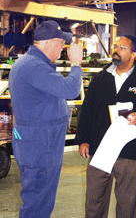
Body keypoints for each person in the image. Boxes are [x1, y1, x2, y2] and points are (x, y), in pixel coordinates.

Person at [74, 34, 136, 218]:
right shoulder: (100, 79)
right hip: (100, 150)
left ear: (134, 54)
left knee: (127, 203)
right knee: (94, 202)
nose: (116, 51)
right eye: (115, 47)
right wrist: (83, 140)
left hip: (130, 153)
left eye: (122, 48)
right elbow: (87, 112)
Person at [9, 20, 83, 218]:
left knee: (40, 194)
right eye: (62, 42)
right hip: (41, 143)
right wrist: (76, 63)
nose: (64, 47)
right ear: (49, 43)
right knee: (39, 198)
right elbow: (71, 89)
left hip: (37, 140)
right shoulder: (34, 67)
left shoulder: (29, 63)